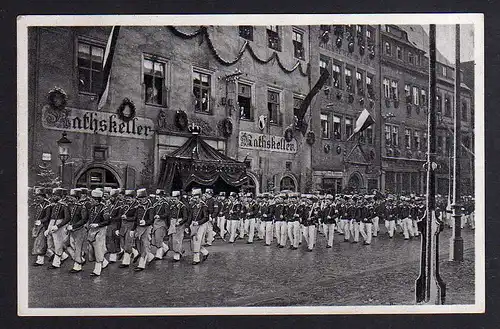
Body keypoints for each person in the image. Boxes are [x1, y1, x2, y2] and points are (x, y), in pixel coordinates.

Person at [87, 189, 110, 276]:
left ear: (97, 200)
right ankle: (104, 262)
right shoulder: (92, 208)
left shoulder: (104, 208)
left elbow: (107, 221)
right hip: (92, 230)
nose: (90, 201)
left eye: (92, 199)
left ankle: (97, 269)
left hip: (100, 230)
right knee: (91, 248)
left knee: (98, 248)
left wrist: (98, 224)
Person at [46, 188, 71, 269]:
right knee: (49, 243)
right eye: (53, 195)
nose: (54, 197)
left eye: (56, 195)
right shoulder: (54, 205)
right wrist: (48, 228)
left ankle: (56, 263)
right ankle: (63, 256)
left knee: (58, 244)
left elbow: (67, 218)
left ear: (61, 196)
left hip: (59, 225)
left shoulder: (64, 205)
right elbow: (52, 217)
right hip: (52, 223)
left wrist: (58, 226)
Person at [66, 188, 89, 273]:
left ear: (77, 197)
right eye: (71, 197)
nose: (71, 198)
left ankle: (77, 266)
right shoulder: (72, 206)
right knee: (68, 245)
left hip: (79, 230)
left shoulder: (82, 207)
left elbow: (84, 220)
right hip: (72, 230)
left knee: (78, 248)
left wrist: (74, 226)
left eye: (73, 197)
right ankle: (81, 260)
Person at [134, 188, 155, 271]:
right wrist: (132, 229)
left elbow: (151, 219)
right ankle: (150, 256)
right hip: (138, 228)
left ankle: (141, 264)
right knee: (138, 244)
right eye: (139, 199)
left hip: (147, 228)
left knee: (145, 244)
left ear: (146, 198)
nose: (141, 200)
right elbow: (135, 219)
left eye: (142, 198)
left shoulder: (150, 207)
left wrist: (145, 222)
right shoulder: (138, 207)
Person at [31, 187, 52, 266]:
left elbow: (48, 216)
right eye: (37, 196)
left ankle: (40, 261)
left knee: (41, 242)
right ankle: (58, 256)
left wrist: (41, 221)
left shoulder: (47, 205)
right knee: (39, 242)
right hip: (37, 226)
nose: (37, 198)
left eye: (39, 196)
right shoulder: (37, 204)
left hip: (44, 226)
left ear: (43, 196)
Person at [119, 190, 140, 268]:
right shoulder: (124, 205)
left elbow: (136, 218)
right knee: (123, 243)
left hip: (131, 225)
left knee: (128, 243)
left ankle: (126, 262)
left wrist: (127, 218)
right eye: (127, 197)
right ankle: (136, 252)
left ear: (133, 198)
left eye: (129, 198)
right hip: (123, 225)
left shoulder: (136, 206)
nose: (128, 199)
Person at [189, 188, 210, 265]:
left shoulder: (204, 206)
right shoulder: (193, 205)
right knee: (194, 241)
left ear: (199, 196)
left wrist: (198, 222)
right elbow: (190, 216)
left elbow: (206, 217)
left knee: (197, 241)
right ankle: (205, 252)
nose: (194, 198)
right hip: (194, 224)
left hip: (201, 225)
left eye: (195, 196)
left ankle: (196, 259)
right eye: (193, 196)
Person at [169, 190, 189, 262]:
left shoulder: (183, 206)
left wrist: (180, 222)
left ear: (179, 198)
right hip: (173, 223)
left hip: (179, 224)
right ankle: (181, 250)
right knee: (171, 240)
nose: (173, 200)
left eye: (175, 199)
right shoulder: (172, 206)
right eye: (173, 198)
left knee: (177, 239)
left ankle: (177, 254)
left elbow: (185, 217)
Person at [151, 189, 170, 261]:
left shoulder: (165, 204)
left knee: (158, 238)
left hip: (162, 223)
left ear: (162, 196)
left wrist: (160, 216)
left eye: (158, 196)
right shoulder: (155, 204)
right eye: (157, 196)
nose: (157, 197)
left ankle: (159, 255)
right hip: (155, 223)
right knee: (155, 239)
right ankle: (165, 248)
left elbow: (167, 214)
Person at [106, 188, 123, 263]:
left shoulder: (120, 204)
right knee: (109, 239)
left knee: (114, 240)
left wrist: (112, 218)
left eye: (112, 197)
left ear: (116, 197)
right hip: (109, 224)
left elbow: (120, 216)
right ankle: (117, 252)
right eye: (110, 196)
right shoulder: (109, 203)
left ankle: (113, 257)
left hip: (116, 224)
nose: (111, 198)